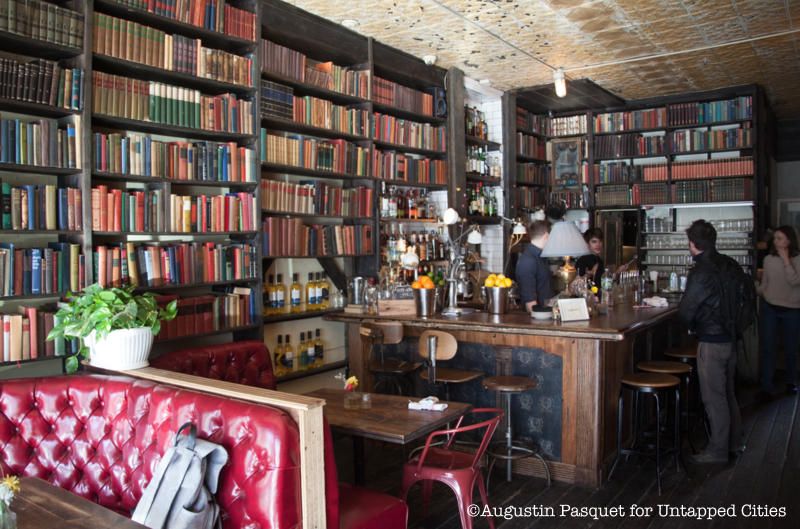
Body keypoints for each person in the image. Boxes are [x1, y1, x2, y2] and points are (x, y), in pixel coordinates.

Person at [678, 219, 745, 463]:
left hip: (711, 341)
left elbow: (687, 310)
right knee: (728, 393)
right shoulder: (731, 264)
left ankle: (718, 451)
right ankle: (734, 443)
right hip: (732, 338)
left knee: (714, 397)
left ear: (693, 244)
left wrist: (687, 327)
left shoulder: (700, 272)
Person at [757, 225, 800, 395]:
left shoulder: (798, 260)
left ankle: (790, 382)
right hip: (770, 307)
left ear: (789, 241)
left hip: (792, 309)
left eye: (780, 238)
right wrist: (752, 288)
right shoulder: (768, 259)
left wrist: (786, 260)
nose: (776, 242)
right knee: (768, 347)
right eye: (775, 238)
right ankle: (766, 385)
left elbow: (794, 281)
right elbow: (764, 285)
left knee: (791, 348)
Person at [516, 220, 552, 312]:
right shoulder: (528, 261)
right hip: (538, 317)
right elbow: (529, 301)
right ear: (546, 236)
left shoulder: (540, 256)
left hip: (545, 312)